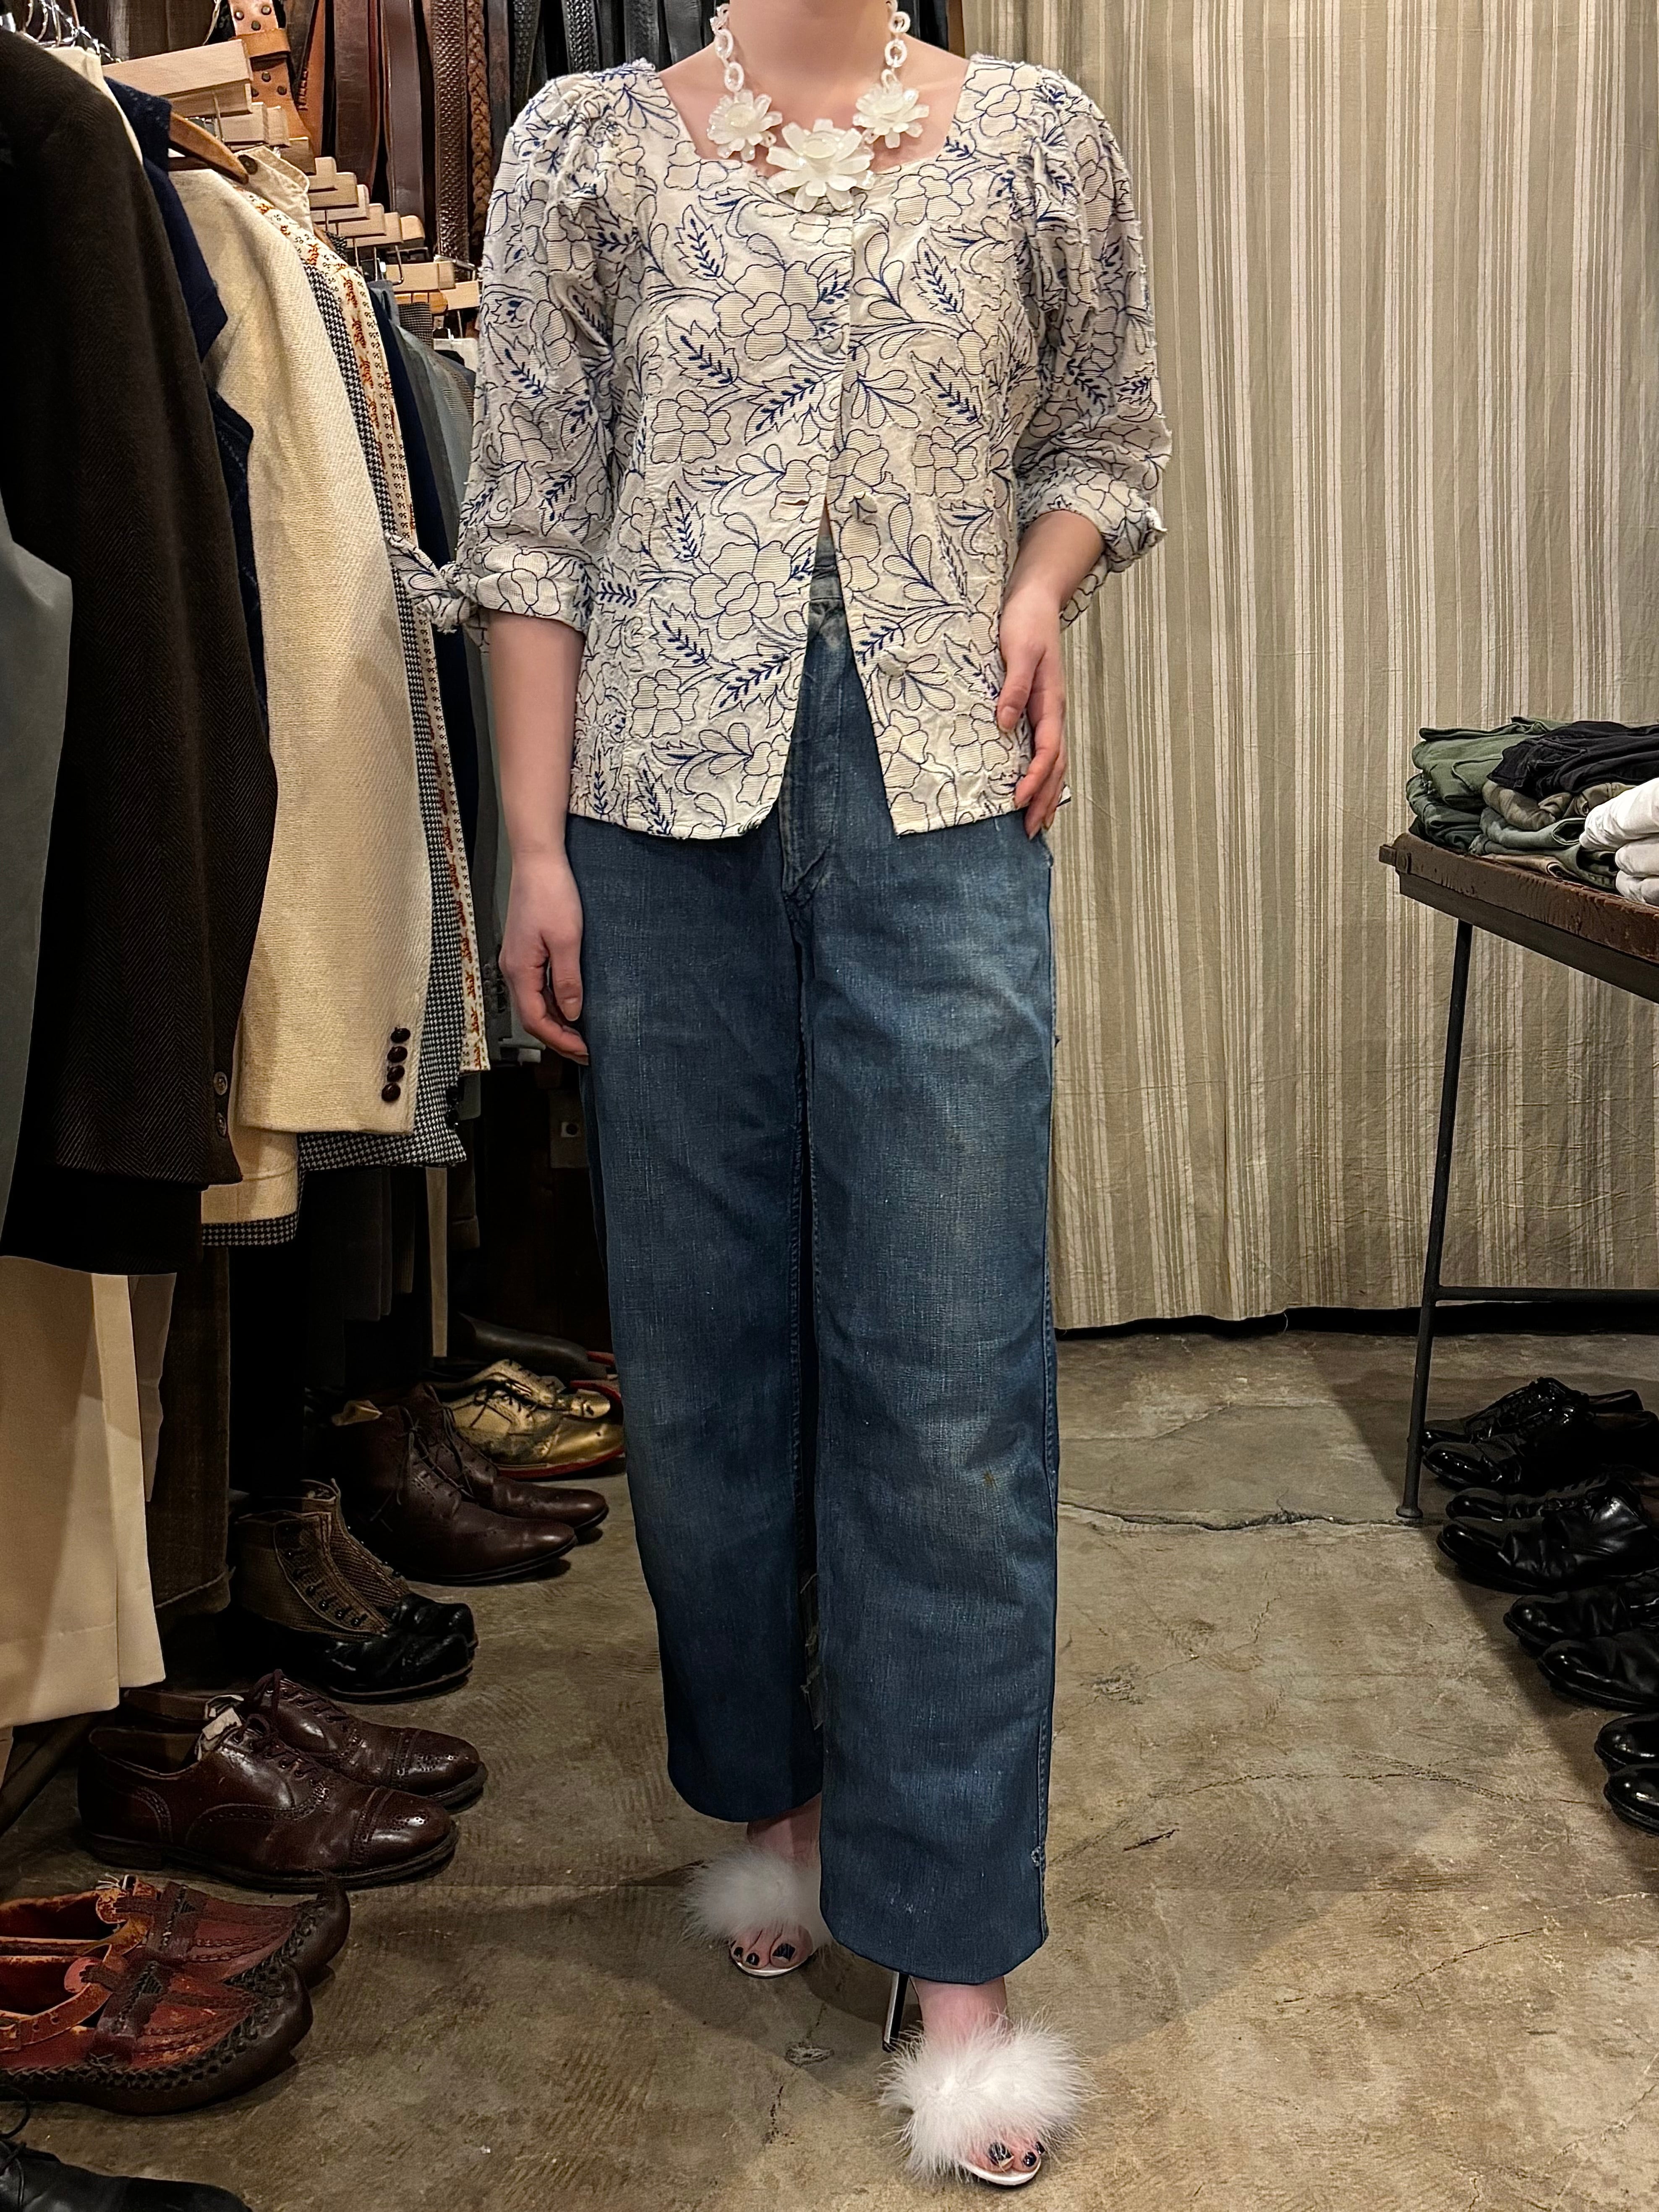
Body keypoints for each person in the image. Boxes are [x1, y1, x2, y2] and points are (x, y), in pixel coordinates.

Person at [410, 0, 1168, 2184]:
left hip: (940, 804)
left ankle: (958, 1946)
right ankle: (778, 1800)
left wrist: (1041, 589)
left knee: (950, 1371)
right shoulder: (584, 148)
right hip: (659, 818)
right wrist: (534, 846)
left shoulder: (1036, 138)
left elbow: (1107, 433)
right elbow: (531, 512)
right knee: (707, 1358)